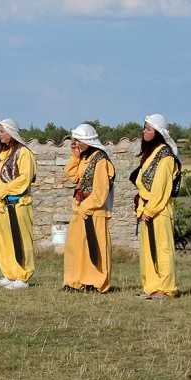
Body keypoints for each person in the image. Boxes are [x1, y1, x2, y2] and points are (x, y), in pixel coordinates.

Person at [63, 124, 116, 293]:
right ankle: (74, 282)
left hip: (95, 211)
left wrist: (86, 206)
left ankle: (96, 283)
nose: (75, 143)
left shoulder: (101, 161)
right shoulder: (84, 158)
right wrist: (75, 156)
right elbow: (73, 176)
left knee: (96, 248)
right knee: (75, 248)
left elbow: (100, 192)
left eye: (78, 140)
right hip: (81, 210)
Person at [133, 114, 181, 300]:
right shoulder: (151, 154)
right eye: (144, 128)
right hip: (147, 208)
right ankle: (152, 287)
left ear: (158, 132)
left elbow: (161, 188)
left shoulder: (166, 157)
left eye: (148, 129)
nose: (144, 131)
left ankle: (165, 288)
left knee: (162, 249)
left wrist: (150, 210)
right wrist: (142, 209)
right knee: (148, 250)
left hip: (159, 210)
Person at [0, 119, 37, 290]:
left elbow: (24, 178)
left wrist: (4, 191)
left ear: (11, 132)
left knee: (20, 240)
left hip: (19, 204)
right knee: (4, 240)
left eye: (2, 131)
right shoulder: (4, 154)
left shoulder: (23, 153)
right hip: (4, 205)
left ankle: (22, 277)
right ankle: (9, 274)